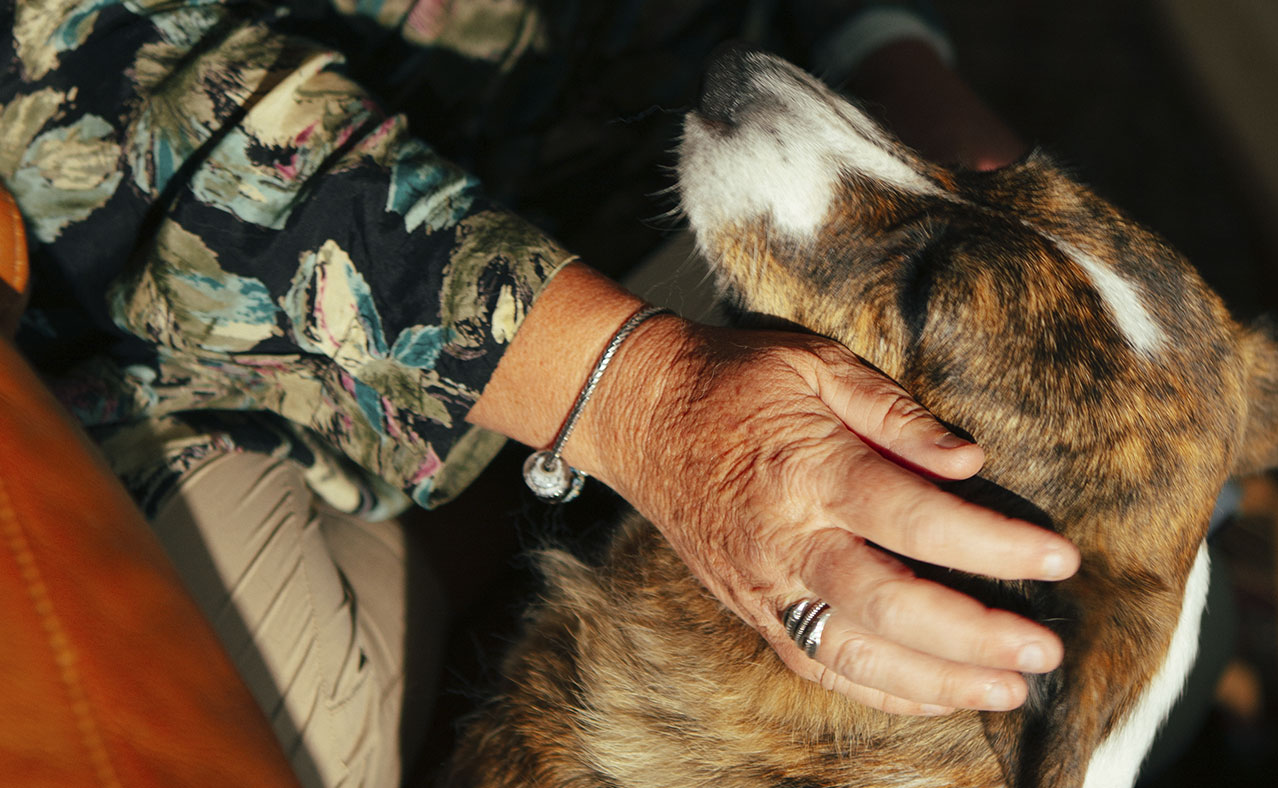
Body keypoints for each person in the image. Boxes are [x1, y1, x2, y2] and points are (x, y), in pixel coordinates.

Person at [2, 1, 1076, 784]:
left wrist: (892, 60)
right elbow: (85, 68)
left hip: (675, 175)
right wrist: (624, 394)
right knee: (228, 736)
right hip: (182, 334)